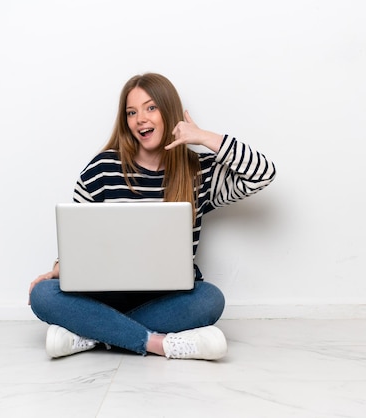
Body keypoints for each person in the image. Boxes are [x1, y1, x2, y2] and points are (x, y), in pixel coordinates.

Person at [28, 73, 276, 360]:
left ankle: (92, 334)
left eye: (151, 108)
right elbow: (80, 240)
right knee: (43, 295)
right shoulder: (101, 169)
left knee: (210, 300)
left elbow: (262, 174)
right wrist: (62, 266)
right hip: (104, 295)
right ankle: (157, 343)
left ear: (168, 112)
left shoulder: (199, 172)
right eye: (131, 112)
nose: (140, 119)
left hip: (167, 298)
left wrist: (203, 137)